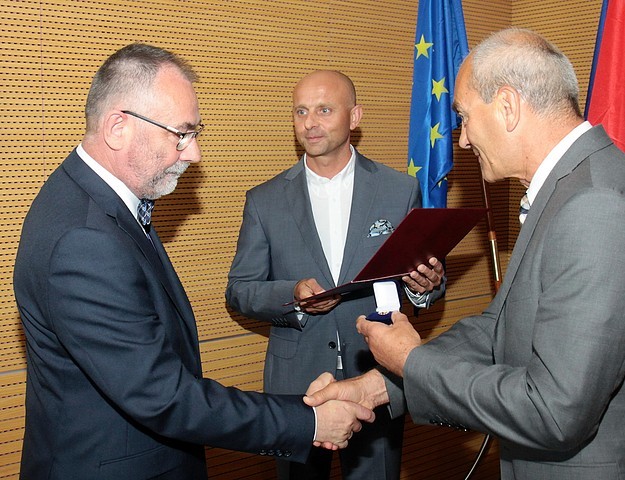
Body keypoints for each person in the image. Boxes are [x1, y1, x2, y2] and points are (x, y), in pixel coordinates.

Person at [12, 44, 375, 480]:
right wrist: (309, 422)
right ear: (118, 128)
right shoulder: (84, 238)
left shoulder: (93, 201)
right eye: (180, 134)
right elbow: (162, 395)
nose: (193, 153)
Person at [305, 28, 625, 479]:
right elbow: (498, 331)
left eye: (465, 117)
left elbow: (555, 411)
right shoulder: (569, 189)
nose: (463, 141)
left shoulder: (593, 204)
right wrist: (377, 387)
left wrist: (413, 362)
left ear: (508, 106)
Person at [226, 70, 445, 480]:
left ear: (354, 117)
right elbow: (239, 290)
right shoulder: (264, 200)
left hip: (377, 374)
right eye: (301, 112)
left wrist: (424, 288)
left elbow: (423, 278)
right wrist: (293, 294)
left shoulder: (400, 190)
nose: (310, 123)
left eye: (324, 110)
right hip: (297, 386)